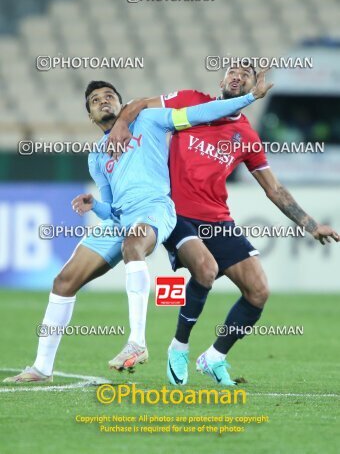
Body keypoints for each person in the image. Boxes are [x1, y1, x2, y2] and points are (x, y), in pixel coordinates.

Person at [4, 77, 269, 383]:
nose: (104, 100)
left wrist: (250, 98)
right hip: (121, 220)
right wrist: (96, 206)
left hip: (156, 208)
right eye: (95, 100)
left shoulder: (149, 120)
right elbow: (114, 209)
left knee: (136, 246)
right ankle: (41, 368)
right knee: (63, 281)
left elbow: (201, 113)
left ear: (121, 103)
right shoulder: (97, 157)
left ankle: (137, 342)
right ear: (90, 115)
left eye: (109, 96)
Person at [107, 65, 339, 386]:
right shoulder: (189, 101)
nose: (238, 76)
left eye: (246, 74)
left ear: (251, 88)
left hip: (217, 219)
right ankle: (179, 347)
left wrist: (311, 225)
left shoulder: (246, 136)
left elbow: (274, 188)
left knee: (258, 291)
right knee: (206, 269)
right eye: (233, 71)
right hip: (175, 213)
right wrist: (121, 123)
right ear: (221, 80)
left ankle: (214, 356)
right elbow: (141, 104)